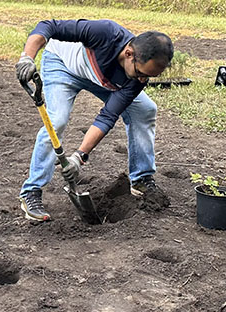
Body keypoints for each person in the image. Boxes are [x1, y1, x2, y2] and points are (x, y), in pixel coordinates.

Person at [15, 19, 173, 221]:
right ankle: (31, 190)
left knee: (144, 109)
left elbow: (108, 115)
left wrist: (79, 157)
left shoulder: (137, 79)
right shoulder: (104, 33)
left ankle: (141, 179)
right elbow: (48, 26)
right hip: (62, 65)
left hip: (101, 79)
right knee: (57, 121)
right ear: (129, 54)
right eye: (141, 73)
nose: (143, 80)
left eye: (149, 77)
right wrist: (27, 58)